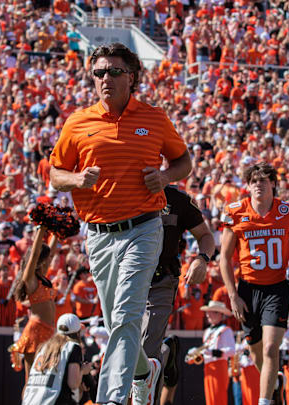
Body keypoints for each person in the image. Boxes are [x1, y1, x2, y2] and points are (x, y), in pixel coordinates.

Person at [49, 42, 191, 405]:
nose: (105, 79)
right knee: (117, 324)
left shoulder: (155, 118)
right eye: (98, 72)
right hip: (98, 235)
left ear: (132, 77)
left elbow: (183, 162)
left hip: (144, 228)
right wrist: (77, 180)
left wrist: (164, 177)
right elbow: (54, 173)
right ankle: (145, 371)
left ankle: (112, 398)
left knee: (127, 313)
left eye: (114, 71)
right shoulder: (78, 122)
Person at [219, 162, 289, 405]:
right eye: (253, 181)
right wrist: (232, 295)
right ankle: (273, 384)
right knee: (255, 351)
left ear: (273, 183)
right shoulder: (236, 212)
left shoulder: (286, 211)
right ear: (248, 186)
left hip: (278, 287)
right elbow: (224, 259)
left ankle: (264, 401)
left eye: (263, 180)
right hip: (248, 288)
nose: (258, 184)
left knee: (272, 348)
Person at [141, 184, 214, 405]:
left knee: (145, 349)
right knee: (125, 349)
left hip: (160, 280)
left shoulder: (176, 198)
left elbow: (205, 235)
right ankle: (166, 354)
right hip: (126, 280)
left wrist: (202, 258)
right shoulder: (123, 190)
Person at [22, 313, 94, 405]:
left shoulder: (44, 347)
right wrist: (83, 371)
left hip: (30, 401)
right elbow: (73, 383)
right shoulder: (72, 346)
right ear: (77, 332)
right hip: (53, 400)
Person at [14, 242, 56, 383]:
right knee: (31, 379)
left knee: (45, 378)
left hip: (49, 331)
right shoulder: (31, 280)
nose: (50, 259)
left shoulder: (43, 277)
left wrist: (56, 233)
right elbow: (33, 255)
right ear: (40, 260)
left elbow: (52, 251)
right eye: (47, 257)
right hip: (36, 331)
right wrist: (41, 229)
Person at [192, 300, 235, 405]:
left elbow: (231, 351)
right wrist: (195, 356)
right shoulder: (207, 331)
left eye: (210, 312)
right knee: (210, 399)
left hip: (219, 367)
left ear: (219, 314)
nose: (207, 315)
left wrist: (211, 352)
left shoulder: (226, 330)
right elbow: (206, 352)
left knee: (218, 397)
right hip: (208, 367)